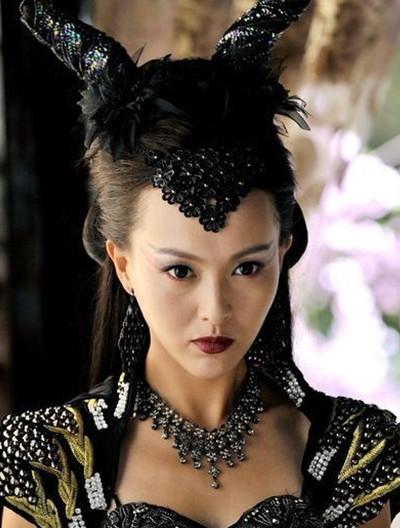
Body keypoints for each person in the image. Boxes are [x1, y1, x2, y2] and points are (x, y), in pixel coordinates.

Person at [1, 0, 400, 527]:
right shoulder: (48, 460)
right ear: (123, 264)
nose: (215, 310)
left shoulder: (354, 450)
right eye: (180, 271)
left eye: (247, 267)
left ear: (282, 251)